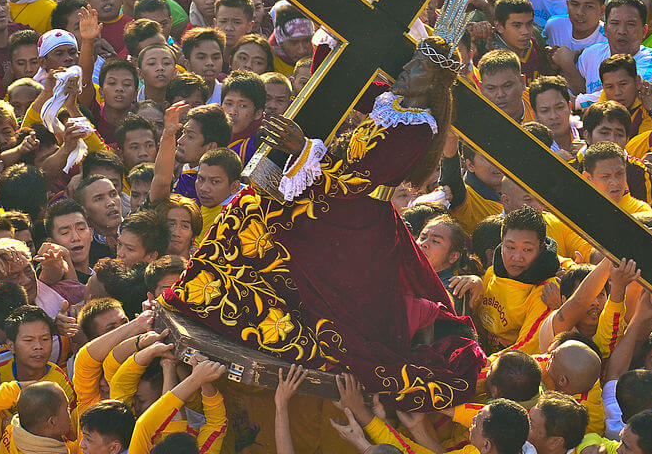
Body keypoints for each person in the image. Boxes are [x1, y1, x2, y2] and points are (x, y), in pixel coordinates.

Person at [164, 37, 486, 411]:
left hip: (355, 222)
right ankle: (202, 292)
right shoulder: (393, 103)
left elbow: (358, 180)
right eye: (410, 62)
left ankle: (252, 317)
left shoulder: (419, 130)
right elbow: (346, 79)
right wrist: (337, 36)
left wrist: (302, 148)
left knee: (261, 217)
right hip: (332, 208)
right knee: (250, 206)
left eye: (417, 69)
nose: (405, 70)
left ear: (431, 85)